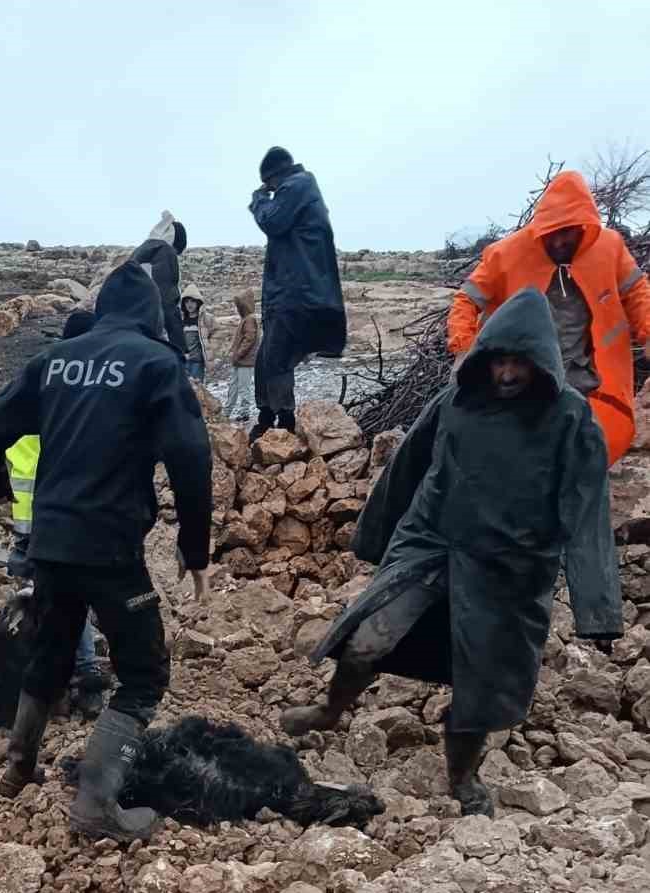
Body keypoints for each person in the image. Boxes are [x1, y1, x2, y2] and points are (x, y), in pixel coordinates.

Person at [284, 288, 621, 819]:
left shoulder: (570, 418)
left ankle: (463, 777)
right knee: (367, 639)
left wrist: (597, 610)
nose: (507, 374)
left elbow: (586, 508)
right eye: (499, 361)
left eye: (519, 363)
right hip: (432, 541)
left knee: (478, 685)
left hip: (510, 568)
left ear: (541, 363)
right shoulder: (456, 400)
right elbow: (406, 465)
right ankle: (330, 709)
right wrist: (374, 539)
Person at [0, 262, 213, 843]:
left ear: (103, 308)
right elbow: (190, 458)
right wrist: (195, 548)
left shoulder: (56, 360)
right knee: (143, 676)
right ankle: (97, 804)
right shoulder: (156, 364)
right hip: (110, 546)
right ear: (152, 315)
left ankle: (17, 770)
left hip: (51, 542)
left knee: (51, 654)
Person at [448, 171, 650, 465]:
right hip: (523, 370)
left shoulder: (609, 249)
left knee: (579, 444)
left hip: (582, 372)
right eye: (552, 232)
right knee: (514, 446)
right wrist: (463, 347)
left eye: (567, 232)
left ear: (585, 227)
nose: (558, 240)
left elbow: (637, 292)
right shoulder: (505, 254)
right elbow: (466, 299)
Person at [6, 308, 106, 718]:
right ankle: (82, 674)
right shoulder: (91, 389)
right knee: (73, 597)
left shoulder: (41, 378)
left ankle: (52, 674)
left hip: (34, 519)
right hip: (70, 517)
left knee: (55, 597)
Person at [248, 146, 346, 440]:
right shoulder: (298, 189)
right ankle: (268, 414)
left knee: (277, 355)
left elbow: (272, 221)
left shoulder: (297, 185)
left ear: (274, 176)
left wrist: (259, 200)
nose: (270, 191)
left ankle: (284, 421)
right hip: (290, 290)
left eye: (269, 185)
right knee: (266, 357)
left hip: (296, 291)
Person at [132, 211, 189, 359]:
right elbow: (166, 298)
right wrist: (180, 347)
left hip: (129, 330)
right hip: (150, 331)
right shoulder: (165, 251)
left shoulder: (138, 252)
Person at [226, 288, 260, 421]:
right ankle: (227, 411)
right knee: (233, 386)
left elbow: (249, 339)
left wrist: (238, 354)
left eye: (239, 306)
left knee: (243, 387)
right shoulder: (246, 319)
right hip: (239, 360)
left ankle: (244, 412)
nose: (238, 308)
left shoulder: (249, 320)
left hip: (245, 361)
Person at [180, 283, 215, 383]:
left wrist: (210, 346)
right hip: (183, 361)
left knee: (197, 388)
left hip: (197, 362)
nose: (189, 304)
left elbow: (218, 332)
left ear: (198, 302)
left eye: (192, 301)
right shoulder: (180, 319)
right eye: (187, 301)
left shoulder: (205, 318)